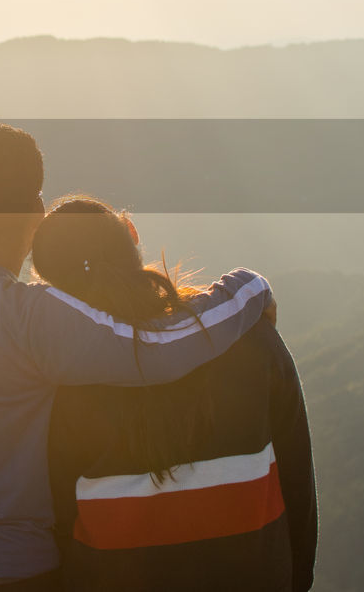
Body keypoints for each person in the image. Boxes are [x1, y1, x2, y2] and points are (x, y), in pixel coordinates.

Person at [0, 123, 275, 590]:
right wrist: (249, 287)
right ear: (37, 213)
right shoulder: (33, 317)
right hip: (14, 573)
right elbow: (161, 351)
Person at [36, 196, 317, 592]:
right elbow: (296, 479)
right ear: (132, 233)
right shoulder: (252, 342)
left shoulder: (62, 377)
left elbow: (56, 515)